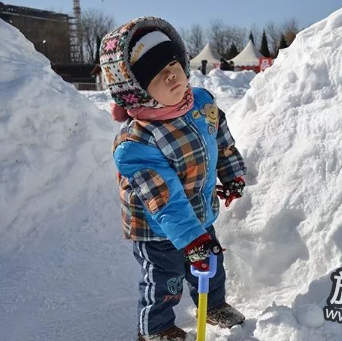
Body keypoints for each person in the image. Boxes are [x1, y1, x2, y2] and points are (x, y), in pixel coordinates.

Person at [100, 17, 247, 341]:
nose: (171, 75)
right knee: (164, 278)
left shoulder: (202, 104)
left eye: (172, 63)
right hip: (156, 227)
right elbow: (164, 198)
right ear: (135, 91)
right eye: (156, 74)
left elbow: (221, 142)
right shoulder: (135, 144)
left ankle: (213, 304)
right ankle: (155, 328)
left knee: (210, 264)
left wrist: (233, 174)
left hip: (199, 211)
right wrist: (192, 239)